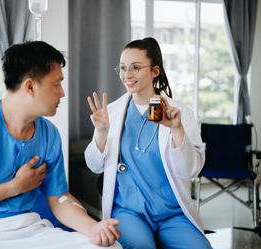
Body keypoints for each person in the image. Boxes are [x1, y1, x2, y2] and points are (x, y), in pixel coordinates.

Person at [0, 41, 121, 249]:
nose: (62, 93)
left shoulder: (49, 134)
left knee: (109, 248)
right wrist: (13, 187)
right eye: (56, 84)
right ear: (30, 86)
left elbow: (60, 198)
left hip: (22, 230)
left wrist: (92, 228)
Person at [84, 37, 212, 249]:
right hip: (129, 212)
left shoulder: (181, 114)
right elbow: (94, 164)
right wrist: (101, 133)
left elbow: (190, 170)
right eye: (123, 68)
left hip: (172, 214)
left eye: (135, 67)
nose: (127, 75)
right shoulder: (113, 114)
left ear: (155, 71)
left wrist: (176, 128)